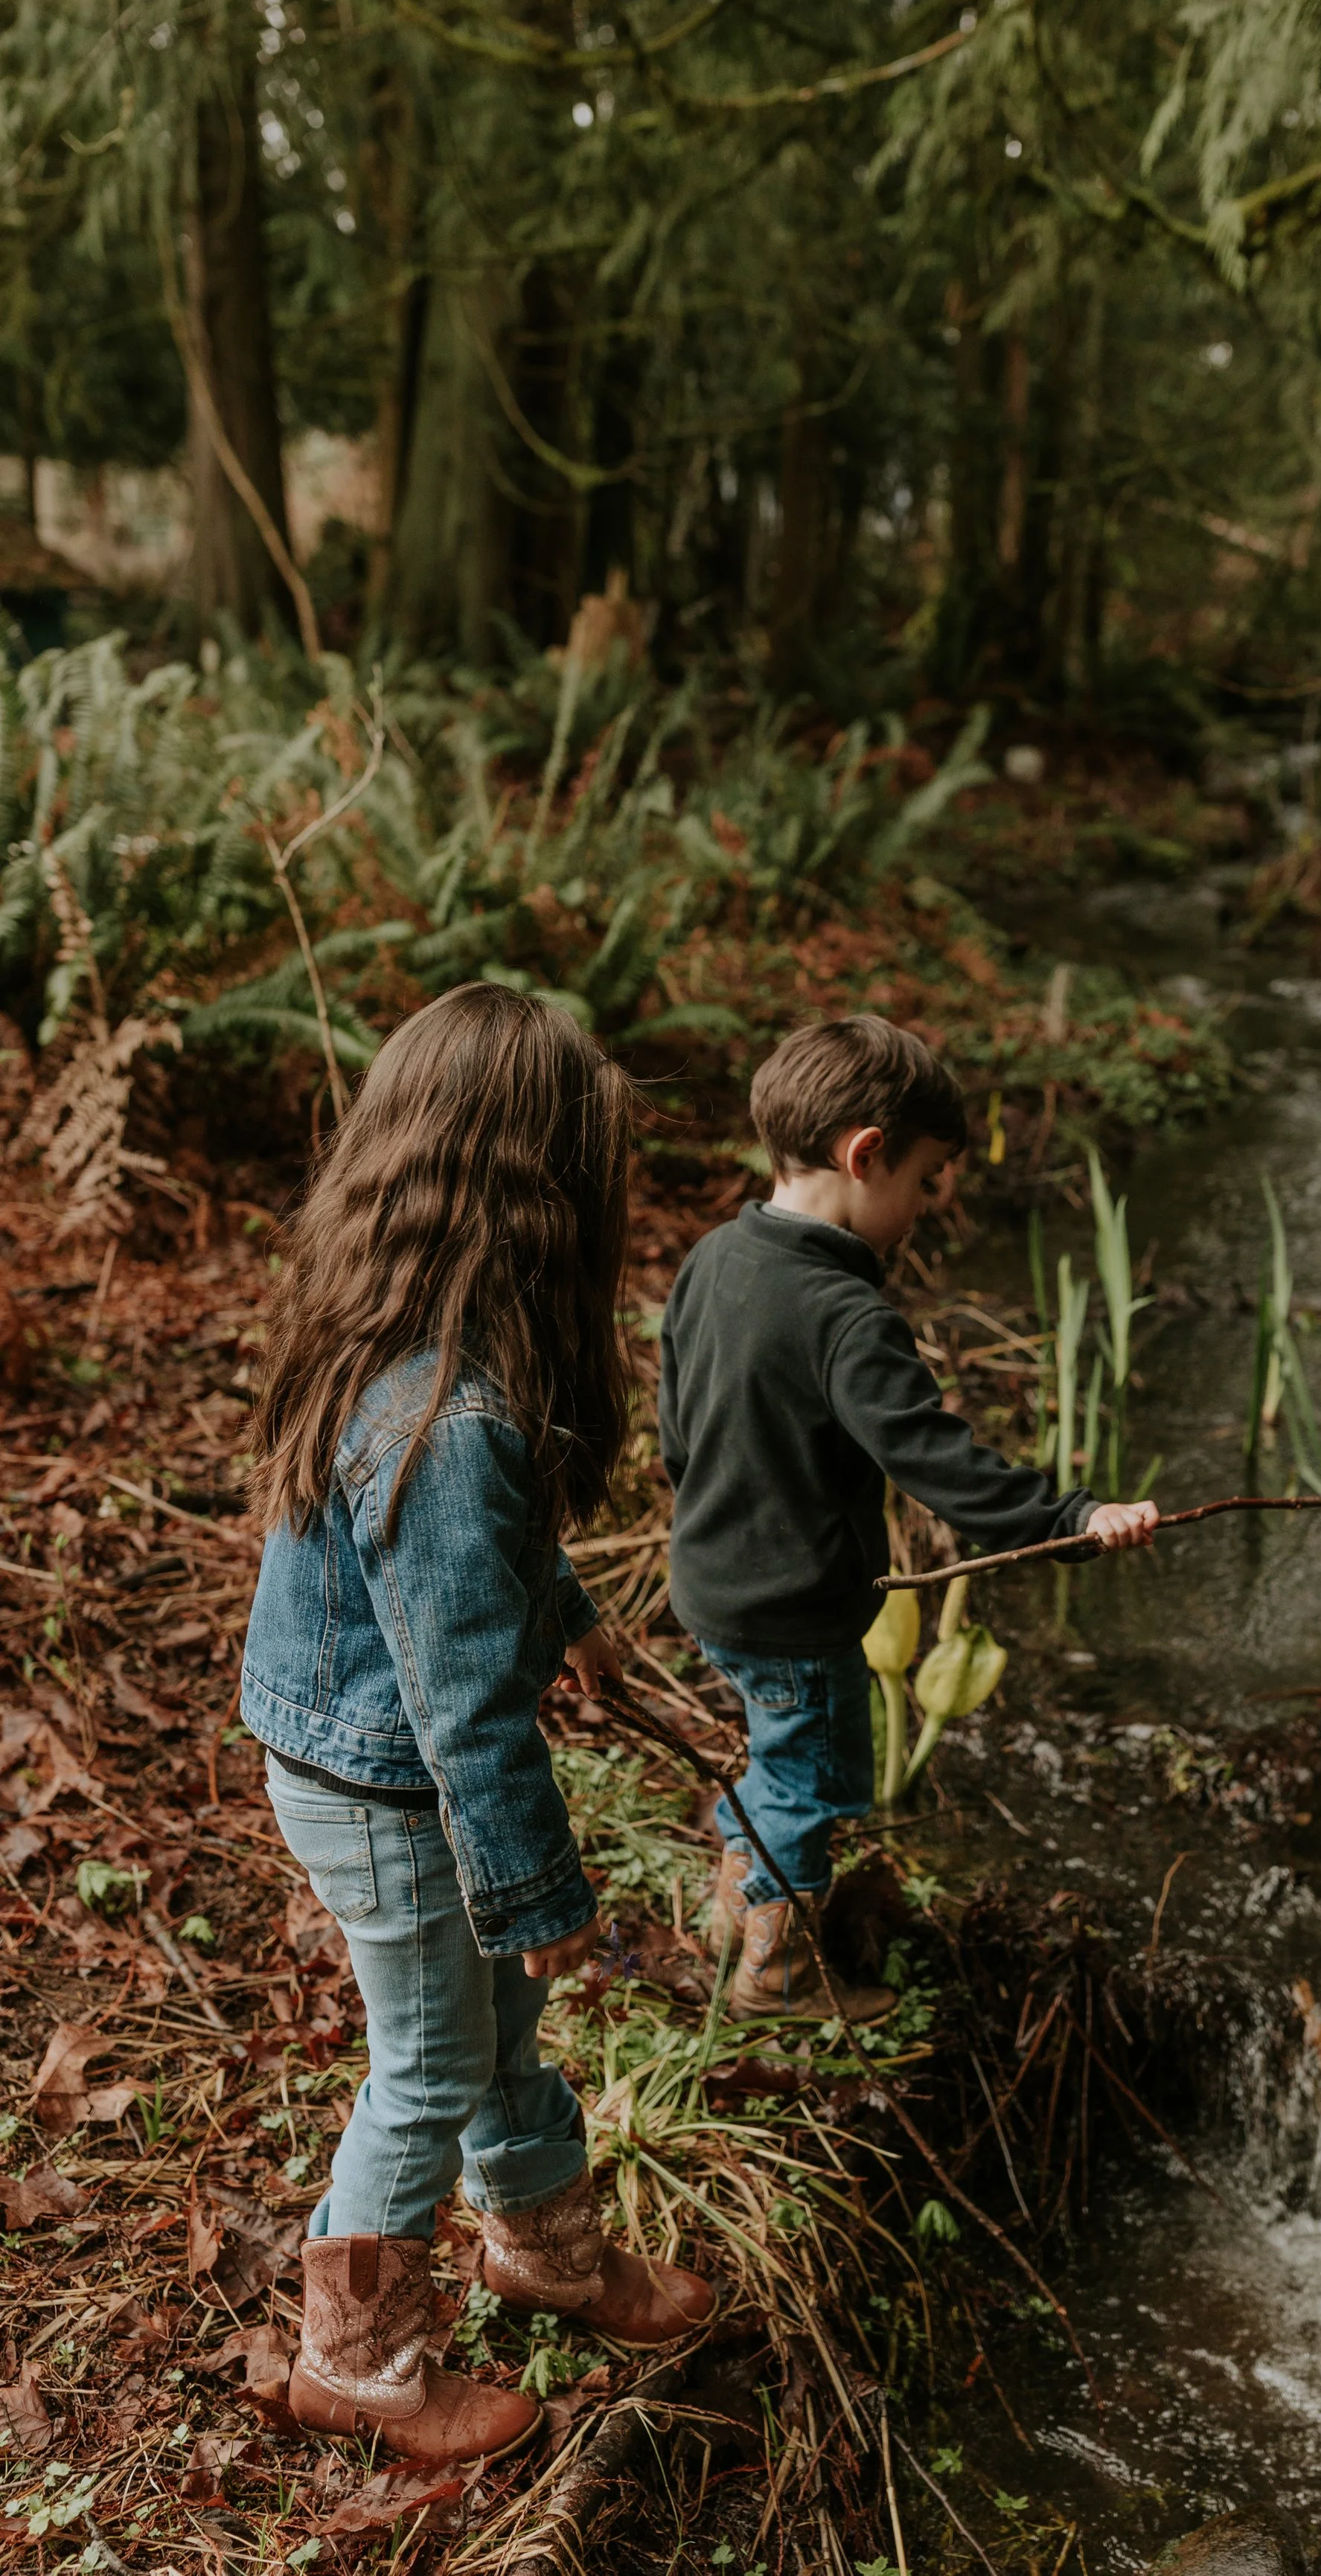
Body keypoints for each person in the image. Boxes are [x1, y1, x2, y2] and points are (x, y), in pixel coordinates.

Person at [242, 982, 713, 2468]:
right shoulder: (445, 1421)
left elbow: (466, 1566)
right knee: (431, 2064)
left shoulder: (415, 1352)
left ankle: (544, 2247)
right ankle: (357, 2363)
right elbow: (456, 1706)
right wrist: (538, 1894)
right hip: (388, 1791)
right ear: (537, 1196)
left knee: (496, 2023)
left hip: (368, 1765)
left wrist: (568, 1619)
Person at [659, 1013, 1158, 2023]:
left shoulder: (714, 1258)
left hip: (710, 1581)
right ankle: (776, 1972)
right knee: (814, 1778)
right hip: (795, 1606)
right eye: (926, 1181)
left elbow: (677, 1419)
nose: (928, 1209)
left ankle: (738, 1904)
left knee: (777, 1754)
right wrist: (1071, 1513)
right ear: (865, 1154)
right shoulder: (845, 1316)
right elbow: (937, 1460)